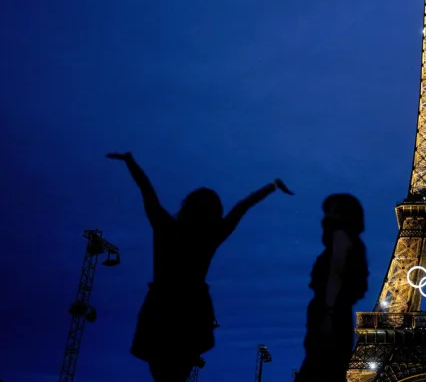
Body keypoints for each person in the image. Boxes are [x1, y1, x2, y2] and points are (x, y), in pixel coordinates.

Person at [106, 152, 293, 382]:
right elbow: (242, 207)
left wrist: (130, 162)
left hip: (161, 304)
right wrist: (272, 186)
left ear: (187, 207)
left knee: (161, 370)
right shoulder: (212, 235)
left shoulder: (166, 227)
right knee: (179, 371)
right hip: (192, 308)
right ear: (215, 212)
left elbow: (147, 191)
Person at [296, 194, 369, 382]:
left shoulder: (340, 237)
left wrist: (328, 313)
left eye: (330, 212)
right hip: (341, 314)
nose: (325, 218)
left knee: (317, 368)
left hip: (330, 312)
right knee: (333, 370)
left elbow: (336, 273)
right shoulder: (356, 244)